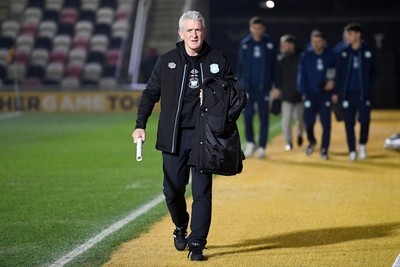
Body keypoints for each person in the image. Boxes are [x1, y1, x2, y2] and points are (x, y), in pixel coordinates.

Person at [131, 11, 245, 261]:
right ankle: (181, 226)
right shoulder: (167, 60)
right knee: (172, 191)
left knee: (202, 191)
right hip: (173, 137)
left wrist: (216, 98)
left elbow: (235, 94)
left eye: (198, 30)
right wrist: (141, 125)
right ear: (181, 34)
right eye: (189, 31)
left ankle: (197, 243)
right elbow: (150, 94)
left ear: (204, 32)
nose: (194, 35)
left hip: (206, 137)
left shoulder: (217, 59)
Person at [237, 16, 280, 158]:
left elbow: (275, 66)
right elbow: (240, 67)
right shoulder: (245, 44)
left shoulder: (269, 44)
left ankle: (262, 146)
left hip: (264, 87)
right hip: (248, 88)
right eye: (254, 28)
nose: (257, 30)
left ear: (263, 29)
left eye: (259, 28)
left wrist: (277, 86)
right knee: (247, 115)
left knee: (264, 117)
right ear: (251, 29)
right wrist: (239, 85)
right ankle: (250, 143)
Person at [333, 23, 377, 161]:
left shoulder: (368, 52)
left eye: (350, 34)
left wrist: (369, 88)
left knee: (364, 120)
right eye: (347, 34)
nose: (347, 37)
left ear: (358, 35)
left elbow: (374, 72)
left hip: (363, 94)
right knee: (348, 122)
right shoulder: (344, 53)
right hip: (348, 94)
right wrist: (336, 92)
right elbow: (338, 74)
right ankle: (352, 149)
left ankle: (362, 145)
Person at [297, 29, 336, 160]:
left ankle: (324, 149)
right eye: (314, 41)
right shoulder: (306, 56)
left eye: (319, 41)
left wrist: (332, 84)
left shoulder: (330, 56)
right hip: (310, 95)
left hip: (325, 95)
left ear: (324, 42)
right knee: (308, 122)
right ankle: (312, 141)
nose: (317, 44)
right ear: (311, 42)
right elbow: (301, 75)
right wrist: (303, 92)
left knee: (326, 124)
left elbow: (335, 73)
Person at [273, 34, 304, 151]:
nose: (282, 47)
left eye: (285, 44)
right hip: (286, 95)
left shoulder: (302, 58)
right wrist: (277, 88)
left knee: (300, 120)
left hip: (299, 94)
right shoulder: (280, 60)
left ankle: (300, 134)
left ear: (292, 45)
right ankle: (288, 142)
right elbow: (277, 77)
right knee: (286, 120)